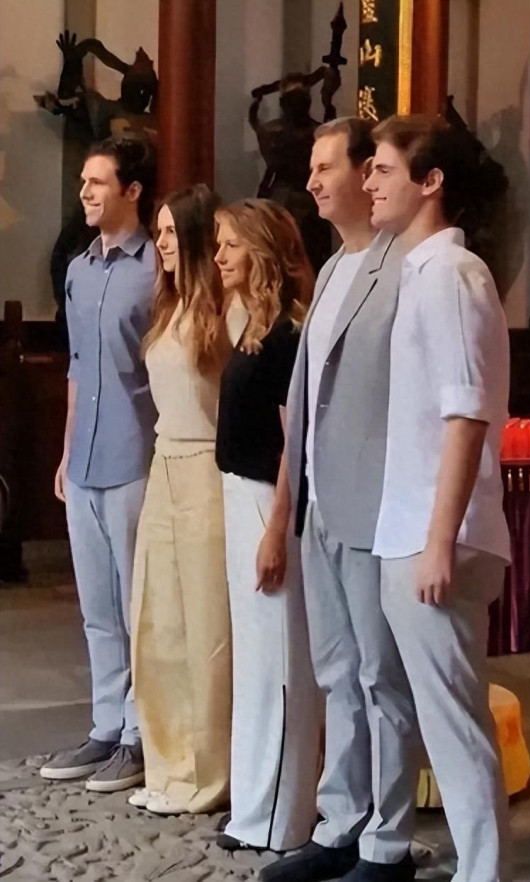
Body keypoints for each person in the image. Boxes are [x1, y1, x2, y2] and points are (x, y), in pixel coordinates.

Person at [261, 117, 417, 882]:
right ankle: (341, 824)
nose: (313, 182)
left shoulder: (406, 267)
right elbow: (305, 399)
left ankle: (388, 843)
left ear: (366, 173)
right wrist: (288, 505)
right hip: (320, 502)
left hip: (374, 504)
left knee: (380, 676)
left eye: (327, 168)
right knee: (335, 670)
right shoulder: (327, 273)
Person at [363, 115, 513, 882]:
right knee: (429, 708)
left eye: (383, 169)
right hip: (410, 525)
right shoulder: (420, 270)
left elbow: (467, 414)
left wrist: (438, 540)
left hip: (435, 530)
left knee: (453, 719)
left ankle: (482, 870)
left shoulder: (454, 274)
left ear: (431, 182)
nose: (369, 182)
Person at [41, 137, 157, 792]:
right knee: (96, 606)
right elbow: (77, 368)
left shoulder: (157, 268)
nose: (85, 192)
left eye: (97, 182)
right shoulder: (78, 270)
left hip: (136, 453)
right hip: (84, 456)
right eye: (84, 181)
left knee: (138, 605)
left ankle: (140, 735)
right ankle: (106, 725)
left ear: (131, 191)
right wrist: (64, 451)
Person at [127, 184, 243, 816]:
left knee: (206, 629)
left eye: (172, 232)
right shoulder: (167, 308)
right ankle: (167, 763)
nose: (163, 243)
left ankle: (209, 771)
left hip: (206, 468)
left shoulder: (223, 310)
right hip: (163, 463)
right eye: (159, 232)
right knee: (158, 623)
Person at [213, 199, 319, 851]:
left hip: (265, 501)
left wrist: (276, 529)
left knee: (279, 663)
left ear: (259, 251)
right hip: (237, 493)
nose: (218, 255)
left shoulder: (287, 333)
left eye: (230, 244)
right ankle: (251, 806)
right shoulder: (253, 324)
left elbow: (292, 446)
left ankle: (281, 818)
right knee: (253, 664)